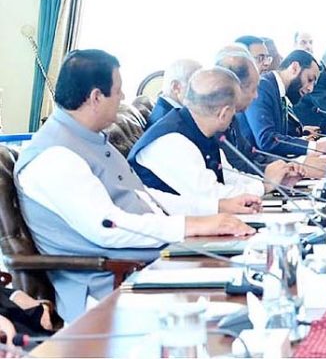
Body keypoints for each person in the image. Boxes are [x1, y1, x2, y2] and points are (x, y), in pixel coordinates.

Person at [13, 50, 252, 321]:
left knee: (243, 279)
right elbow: (108, 227)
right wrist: (191, 226)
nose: (123, 97)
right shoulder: (54, 157)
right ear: (96, 97)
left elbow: (142, 196)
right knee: (232, 307)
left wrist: (214, 209)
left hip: (151, 260)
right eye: (118, 91)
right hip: (112, 283)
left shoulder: (90, 139)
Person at [128, 68, 273, 216]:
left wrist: (268, 182)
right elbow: (213, 197)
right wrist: (264, 186)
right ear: (224, 113)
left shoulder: (200, 130)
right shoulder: (173, 141)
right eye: (233, 110)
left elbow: (229, 177)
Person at [243, 50, 326, 159]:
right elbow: (267, 140)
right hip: (258, 165)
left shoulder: (277, 90)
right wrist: (316, 147)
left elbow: (278, 133)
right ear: (294, 68)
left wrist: (303, 134)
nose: (311, 89)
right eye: (310, 79)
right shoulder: (262, 86)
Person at [148, 58, 200, 125]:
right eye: (197, 84)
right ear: (176, 87)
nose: (204, 91)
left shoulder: (166, 111)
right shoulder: (167, 122)